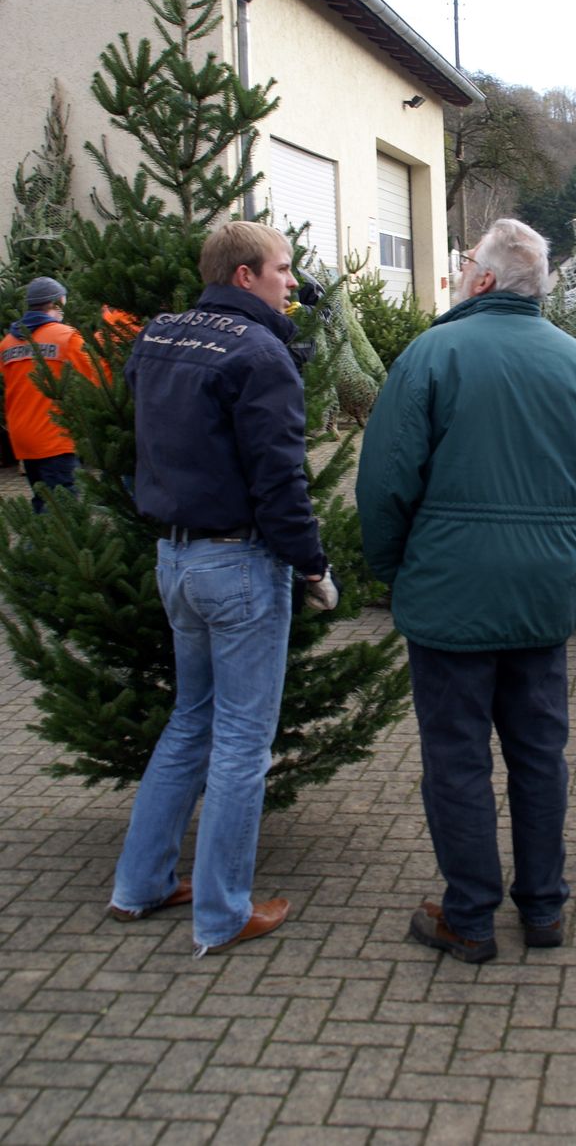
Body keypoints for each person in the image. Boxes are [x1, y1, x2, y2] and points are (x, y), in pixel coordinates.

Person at [355, 218, 576, 963]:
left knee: (457, 756)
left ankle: (469, 915)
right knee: (540, 752)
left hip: (449, 596)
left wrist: (394, 567)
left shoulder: (431, 354)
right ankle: (543, 907)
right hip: (543, 595)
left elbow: (382, 485)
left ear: (482, 279)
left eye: (468, 261)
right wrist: (563, 551)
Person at [108, 222, 339, 955]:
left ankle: (139, 885)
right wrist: (311, 564)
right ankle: (222, 914)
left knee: (191, 720)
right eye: (281, 268)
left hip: (175, 560)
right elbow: (280, 477)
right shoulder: (259, 352)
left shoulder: (160, 336)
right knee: (241, 740)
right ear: (245, 276)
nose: (291, 281)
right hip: (239, 566)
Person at [0, 276, 98, 512]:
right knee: (63, 507)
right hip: (56, 434)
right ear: (57, 303)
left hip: (23, 436)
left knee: (42, 498)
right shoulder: (66, 336)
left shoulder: (8, 343)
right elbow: (94, 379)